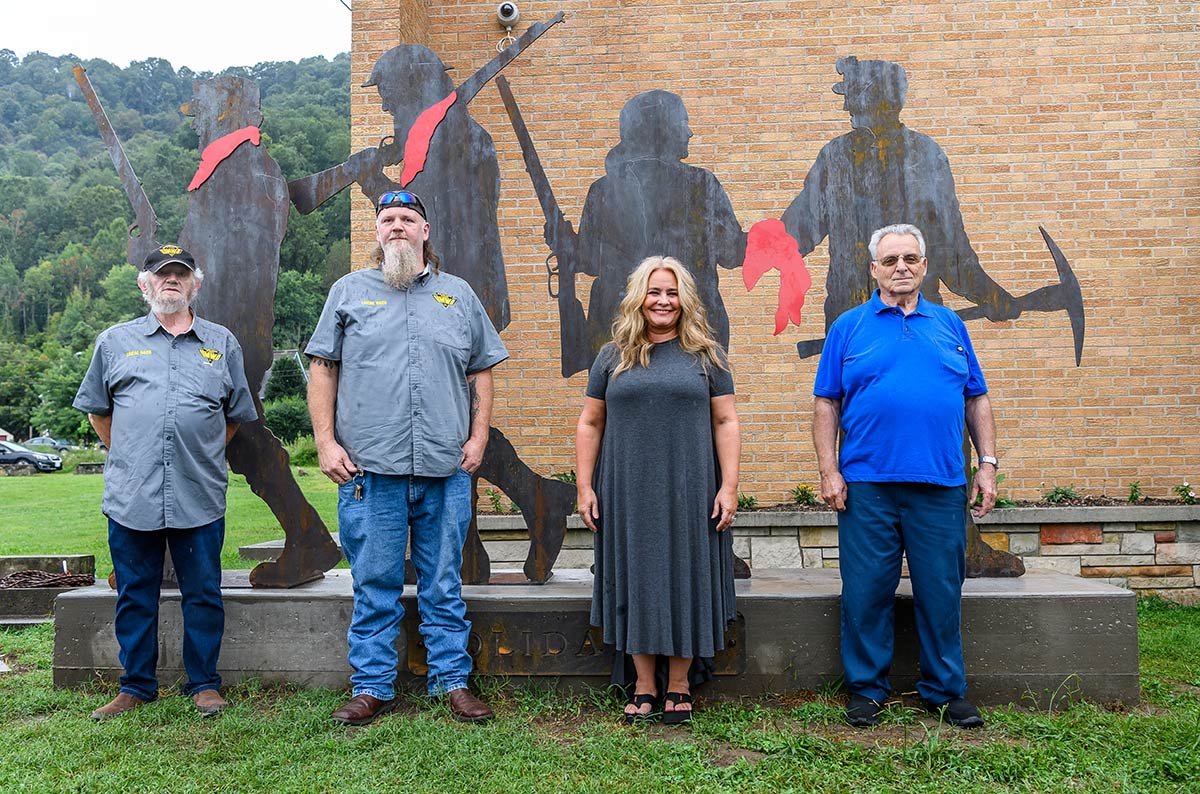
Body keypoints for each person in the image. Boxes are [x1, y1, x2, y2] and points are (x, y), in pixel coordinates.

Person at [306, 190, 508, 725]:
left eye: (408, 219)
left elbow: (482, 368)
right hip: (371, 470)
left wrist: (478, 437)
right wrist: (326, 443)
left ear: (424, 231)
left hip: (445, 468)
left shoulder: (458, 296)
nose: (397, 226)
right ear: (377, 232)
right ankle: (372, 685)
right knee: (375, 581)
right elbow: (323, 369)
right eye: (388, 219)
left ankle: (452, 681)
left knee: (443, 580)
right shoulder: (349, 293)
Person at [812, 224, 998, 729]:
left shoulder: (951, 326)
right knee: (867, 591)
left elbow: (975, 397)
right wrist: (829, 470)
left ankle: (943, 690)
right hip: (866, 485)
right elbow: (826, 402)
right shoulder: (848, 328)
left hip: (940, 485)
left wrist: (987, 465)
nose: (901, 267)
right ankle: (868, 690)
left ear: (924, 266)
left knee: (941, 590)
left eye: (910, 258)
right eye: (890, 259)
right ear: (873, 269)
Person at [73, 244, 258, 720]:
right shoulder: (114, 342)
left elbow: (233, 416)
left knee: (203, 592)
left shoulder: (222, 343)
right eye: (162, 275)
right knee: (135, 593)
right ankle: (135, 685)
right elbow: (98, 410)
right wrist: (133, 454)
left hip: (199, 491)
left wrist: (198, 450)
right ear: (145, 284)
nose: (170, 281)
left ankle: (204, 684)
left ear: (196, 284)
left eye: (180, 275)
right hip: (132, 494)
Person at [576, 256, 741, 725]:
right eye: (654, 292)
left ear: (684, 299)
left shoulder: (707, 357)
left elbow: (726, 420)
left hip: (692, 486)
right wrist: (584, 486)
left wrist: (729, 487)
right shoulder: (612, 357)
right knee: (637, 576)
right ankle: (644, 682)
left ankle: (680, 683)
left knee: (688, 574)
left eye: (671, 293)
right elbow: (591, 421)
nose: (663, 301)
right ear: (638, 298)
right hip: (625, 489)